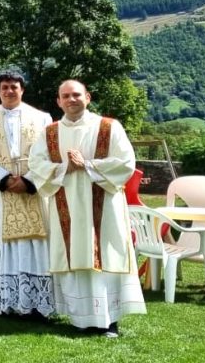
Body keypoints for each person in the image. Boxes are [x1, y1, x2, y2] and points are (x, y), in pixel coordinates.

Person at [28, 81, 146, 337]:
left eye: (76, 95)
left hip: (103, 207)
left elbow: (126, 163)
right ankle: (79, 318)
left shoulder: (108, 126)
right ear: (58, 101)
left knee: (104, 258)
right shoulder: (50, 132)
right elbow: (35, 164)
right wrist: (64, 168)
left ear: (88, 97)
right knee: (75, 259)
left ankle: (109, 320)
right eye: (65, 96)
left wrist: (88, 165)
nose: (71, 99)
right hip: (65, 205)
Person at [0, 69, 55, 318]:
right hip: (1, 194)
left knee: (36, 246)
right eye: (4, 87)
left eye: (14, 87)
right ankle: (6, 302)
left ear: (22, 89)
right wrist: (5, 179)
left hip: (34, 192)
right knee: (1, 244)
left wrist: (28, 181)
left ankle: (38, 305)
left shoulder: (42, 118)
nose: (9, 91)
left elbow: (51, 153)